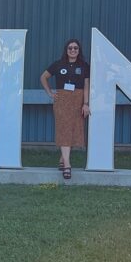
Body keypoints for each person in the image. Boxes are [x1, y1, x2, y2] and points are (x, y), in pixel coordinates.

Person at [40, 39, 90, 180]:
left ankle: (63, 158)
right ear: (66, 50)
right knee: (64, 129)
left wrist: (85, 103)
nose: (73, 50)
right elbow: (43, 77)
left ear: (79, 50)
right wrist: (50, 93)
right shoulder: (58, 64)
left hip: (78, 100)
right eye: (70, 48)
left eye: (75, 48)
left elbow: (86, 86)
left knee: (73, 130)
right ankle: (67, 165)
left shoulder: (84, 66)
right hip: (62, 100)